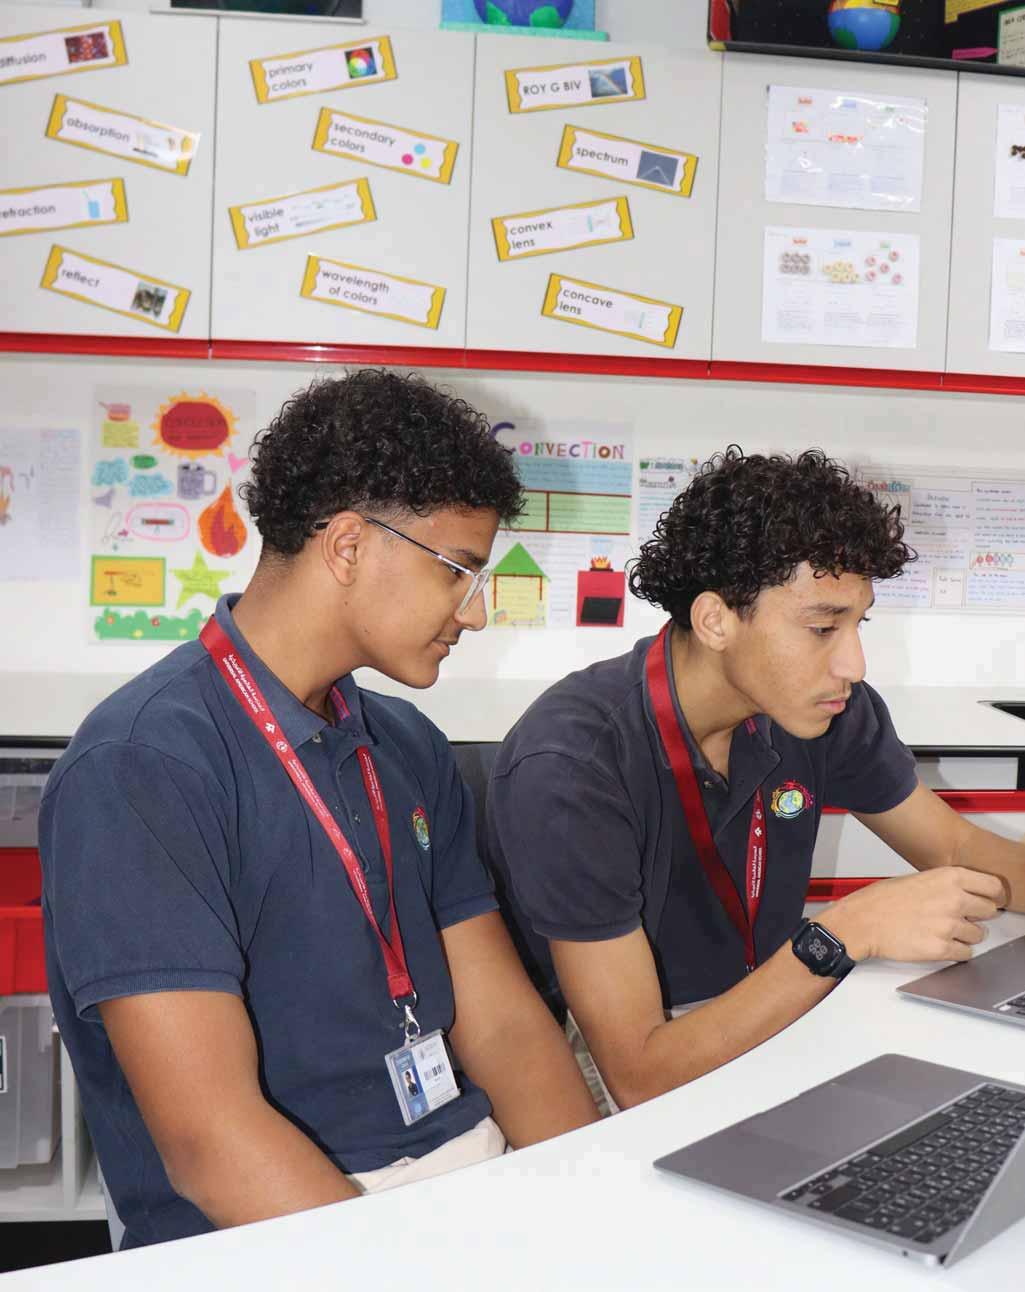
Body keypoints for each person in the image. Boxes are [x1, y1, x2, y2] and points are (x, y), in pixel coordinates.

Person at [40, 370, 597, 1250]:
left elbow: (502, 1026)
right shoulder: (142, 766)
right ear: (347, 546)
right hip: (277, 1233)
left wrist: (597, 1210)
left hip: (462, 1171)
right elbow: (211, 1143)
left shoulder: (405, 744)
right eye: (457, 570)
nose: (477, 612)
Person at [485, 448, 1024, 1113]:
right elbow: (639, 1074)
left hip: (781, 998)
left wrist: (830, 947)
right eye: (822, 627)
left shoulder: (827, 708)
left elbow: (955, 848)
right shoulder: (573, 764)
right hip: (632, 1055)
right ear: (715, 620)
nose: (853, 664)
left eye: (857, 624)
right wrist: (844, 931)